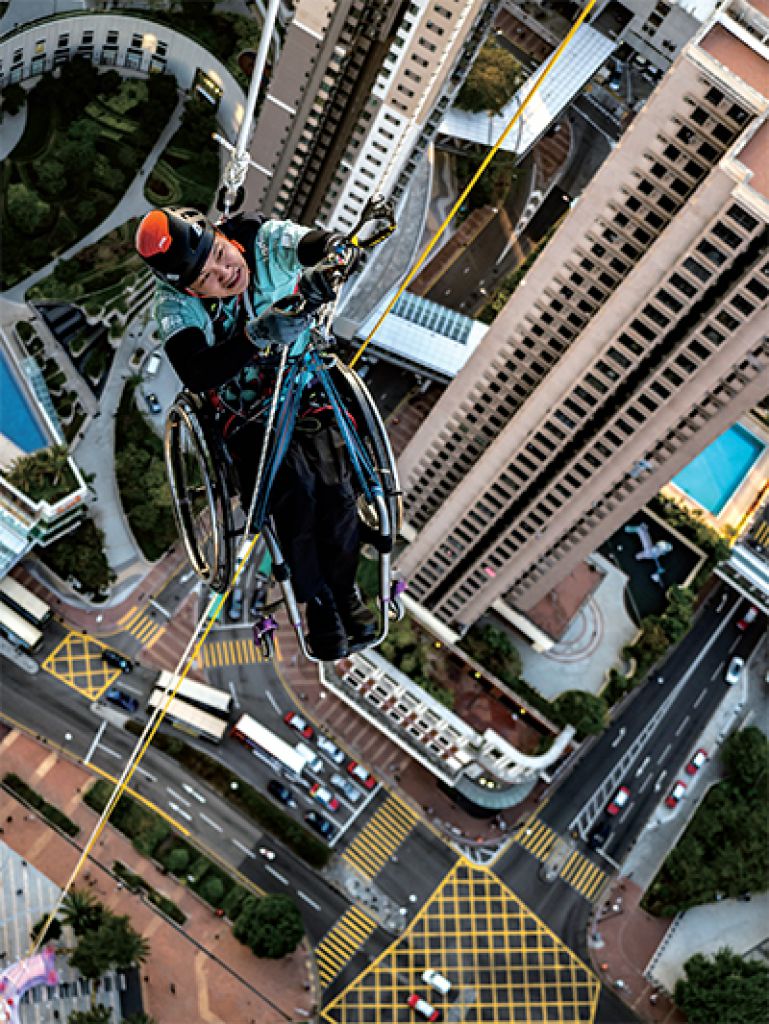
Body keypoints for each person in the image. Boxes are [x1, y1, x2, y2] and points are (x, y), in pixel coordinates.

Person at [135, 205, 376, 660]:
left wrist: (331, 254)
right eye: (207, 277)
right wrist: (255, 336)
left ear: (224, 237)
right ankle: (319, 601)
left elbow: (305, 243)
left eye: (222, 255)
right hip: (242, 409)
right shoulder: (174, 306)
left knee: (334, 483)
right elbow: (197, 370)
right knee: (293, 493)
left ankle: (344, 593)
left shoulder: (258, 239)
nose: (226, 273)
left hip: (302, 384)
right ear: (189, 287)